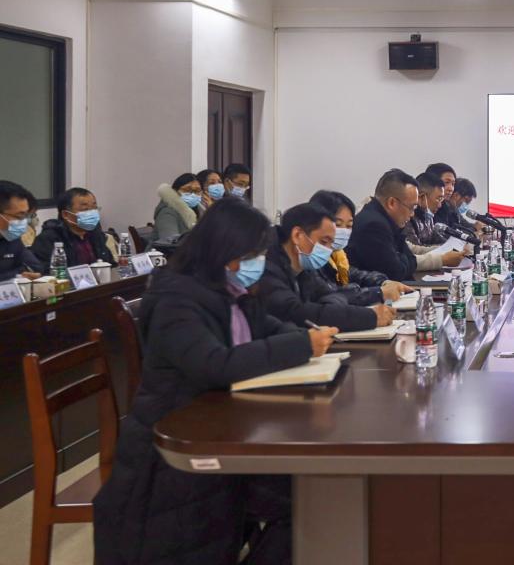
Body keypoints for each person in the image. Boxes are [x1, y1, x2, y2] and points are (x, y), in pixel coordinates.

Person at [93, 198, 337, 564]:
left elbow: (267, 327)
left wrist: (305, 339)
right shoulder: (177, 299)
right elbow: (214, 364)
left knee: (314, 494)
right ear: (226, 251)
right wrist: (301, 345)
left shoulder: (230, 291)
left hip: (227, 428)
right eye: (253, 255)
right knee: (307, 501)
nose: (259, 263)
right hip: (174, 454)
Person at [260, 203, 395, 331]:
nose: (328, 250)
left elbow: (329, 296)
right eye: (324, 242)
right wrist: (369, 317)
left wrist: (331, 309)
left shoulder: (305, 267)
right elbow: (297, 313)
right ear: (297, 235)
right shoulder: (267, 266)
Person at [308, 190, 412, 305]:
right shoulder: (312, 259)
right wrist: (378, 293)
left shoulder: (337, 255)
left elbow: (355, 274)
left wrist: (383, 282)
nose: (344, 231)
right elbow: (330, 295)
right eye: (337, 224)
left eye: (349, 225)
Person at [345, 169, 421, 281]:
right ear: (392, 203)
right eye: (411, 207)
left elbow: (412, 260)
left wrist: (402, 258)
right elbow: (396, 273)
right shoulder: (373, 226)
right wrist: (404, 259)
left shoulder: (383, 219)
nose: (412, 214)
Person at [31, 187, 117, 273]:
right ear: (65, 214)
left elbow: (110, 265)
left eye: (94, 208)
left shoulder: (95, 234)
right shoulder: (48, 239)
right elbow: (46, 273)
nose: (92, 213)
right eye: (85, 209)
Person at [0, 180, 43, 280]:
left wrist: (15, 276)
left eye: (26, 216)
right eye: (19, 216)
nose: (24, 222)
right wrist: (17, 276)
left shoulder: (12, 239)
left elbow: (36, 268)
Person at [153, 172, 204, 242]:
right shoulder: (167, 213)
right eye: (187, 190)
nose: (192, 194)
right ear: (175, 191)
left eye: (197, 191)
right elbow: (169, 241)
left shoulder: (199, 210)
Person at [404, 172, 447, 247]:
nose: (440, 205)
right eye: (438, 199)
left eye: (442, 199)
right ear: (422, 196)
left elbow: (436, 238)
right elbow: (416, 250)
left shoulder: (428, 215)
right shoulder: (407, 218)